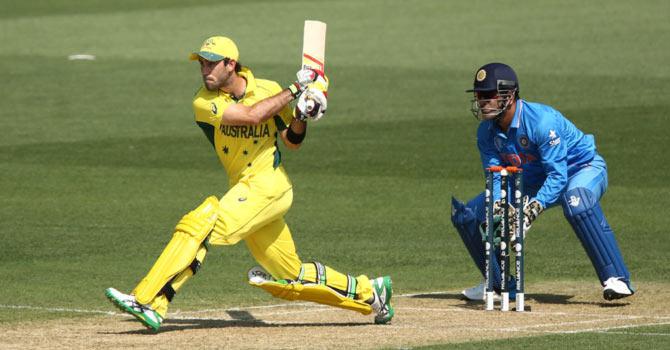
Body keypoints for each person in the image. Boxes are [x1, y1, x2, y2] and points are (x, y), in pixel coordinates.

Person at [105, 36, 394, 331]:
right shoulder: (204, 101)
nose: (205, 70)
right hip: (244, 189)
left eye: (212, 63)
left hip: (269, 186)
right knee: (290, 275)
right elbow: (253, 116)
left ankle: (151, 300)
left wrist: (303, 113)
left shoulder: (268, 90)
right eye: (202, 64)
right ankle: (371, 293)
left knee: (200, 224)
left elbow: (292, 141)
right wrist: (297, 90)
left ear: (231, 64)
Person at [451, 62, 635, 302]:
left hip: (579, 169)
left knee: (576, 201)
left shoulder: (540, 122)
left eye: (489, 95)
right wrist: (498, 205)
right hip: (531, 180)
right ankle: (498, 285)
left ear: (509, 94)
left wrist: (532, 209)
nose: (482, 101)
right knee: (470, 214)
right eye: (479, 95)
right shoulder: (485, 132)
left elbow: (558, 176)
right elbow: (496, 174)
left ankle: (617, 279)